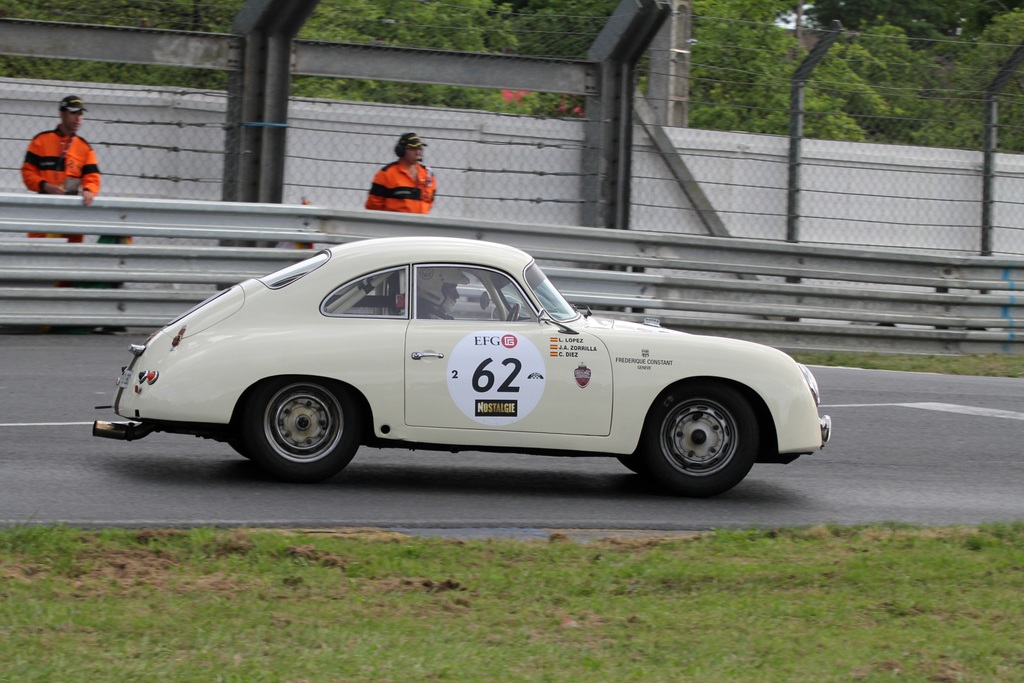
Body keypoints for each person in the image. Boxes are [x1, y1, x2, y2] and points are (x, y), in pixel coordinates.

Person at [22, 96, 102, 229]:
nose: (78, 118)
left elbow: (93, 177)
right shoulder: (41, 141)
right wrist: (45, 186)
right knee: (40, 247)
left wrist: (89, 191)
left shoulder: (85, 148)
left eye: (80, 113)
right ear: (62, 114)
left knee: (72, 248)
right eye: (73, 113)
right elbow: (27, 173)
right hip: (43, 209)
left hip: (71, 213)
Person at [365, 132, 437, 214]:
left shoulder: (428, 174)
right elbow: (373, 206)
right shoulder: (386, 174)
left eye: (419, 148)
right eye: (413, 149)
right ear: (401, 151)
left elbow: (429, 201)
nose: (418, 152)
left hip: (421, 225)